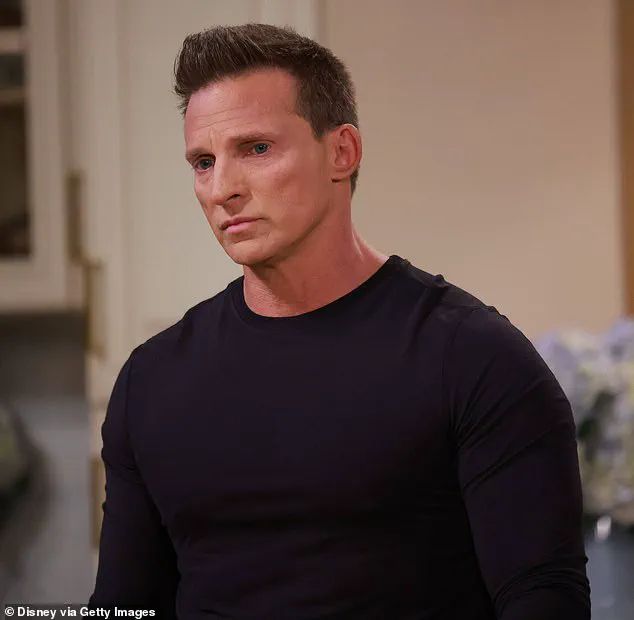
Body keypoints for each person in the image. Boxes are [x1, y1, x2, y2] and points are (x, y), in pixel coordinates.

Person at [89, 23, 591, 620]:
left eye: (256, 149)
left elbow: (544, 598)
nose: (222, 189)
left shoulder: (474, 359)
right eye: (203, 162)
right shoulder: (152, 380)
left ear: (341, 152)